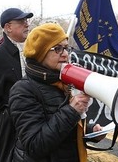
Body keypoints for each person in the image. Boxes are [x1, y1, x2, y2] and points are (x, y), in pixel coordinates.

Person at [9, 22, 105, 161]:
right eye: (57, 48)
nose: (65, 54)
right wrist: (72, 111)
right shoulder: (23, 90)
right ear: (40, 53)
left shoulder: (62, 82)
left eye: (66, 48)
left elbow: (63, 130)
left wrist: (90, 132)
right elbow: (34, 145)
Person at [0, 7, 33, 161]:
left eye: (27, 21)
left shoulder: (32, 51)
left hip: (33, 124)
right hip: (12, 130)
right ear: (8, 27)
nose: (27, 25)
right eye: (22, 21)